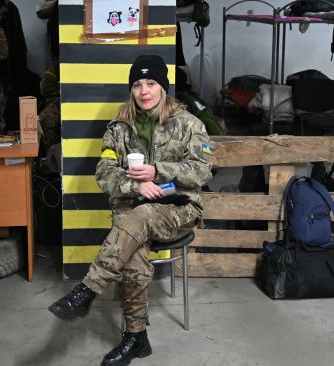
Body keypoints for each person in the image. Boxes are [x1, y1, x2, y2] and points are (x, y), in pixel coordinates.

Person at [48, 55, 214, 366]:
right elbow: (104, 173)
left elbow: (203, 171)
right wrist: (135, 186)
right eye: (137, 84)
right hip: (132, 208)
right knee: (134, 251)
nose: (144, 91)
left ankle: (88, 288)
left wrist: (158, 172)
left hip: (178, 209)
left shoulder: (189, 124)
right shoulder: (118, 128)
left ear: (163, 87)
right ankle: (136, 337)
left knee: (142, 216)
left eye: (151, 83)